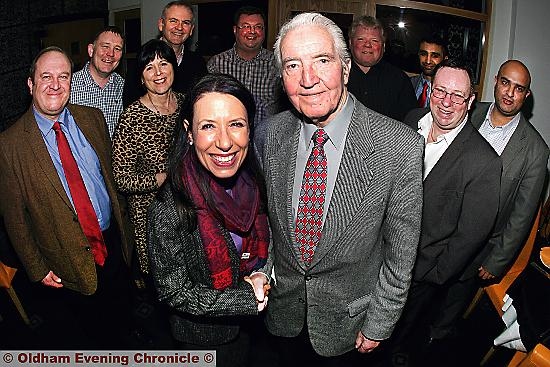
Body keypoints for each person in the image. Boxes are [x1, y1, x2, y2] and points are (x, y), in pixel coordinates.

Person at [247, 12, 424, 366]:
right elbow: (267, 216)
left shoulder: (399, 146)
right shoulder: (270, 133)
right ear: (282, 79)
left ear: (345, 69)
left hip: (350, 326)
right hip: (281, 316)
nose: (308, 79)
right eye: (293, 65)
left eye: (321, 61)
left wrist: (379, 323)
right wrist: (262, 270)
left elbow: (400, 254)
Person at [0, 46, 134, 347]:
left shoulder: (93, 119)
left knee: (119, 321)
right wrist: (37, 268)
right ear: (31, 84)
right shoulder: (9, 146)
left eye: (63, 76)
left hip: (112, 243)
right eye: (45, 76)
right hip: (62, 261)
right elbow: (15, 219)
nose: (55, 84)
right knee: (83, 338)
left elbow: (109, 181)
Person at [148, 73, 269, 367]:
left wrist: (263, 273)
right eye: (208, 126)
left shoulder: (254, 181)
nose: (225, 142)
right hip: (203, 340)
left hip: (253, 333)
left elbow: (267, 240)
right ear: (189, 132)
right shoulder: (169, 205)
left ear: (250, 129)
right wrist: (246, 298)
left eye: (236, 125)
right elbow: (173, 290)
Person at [425, 60, 549, 346]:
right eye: (505, 82)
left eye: (519, 89)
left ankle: (435, 339)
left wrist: (498, 260)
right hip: (436, 225)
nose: (509, 93)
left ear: (526, 96)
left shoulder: (535, 151)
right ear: (495, 80)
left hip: (480, 246)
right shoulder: (468, 111)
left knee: (452, 301)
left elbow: (523, 215)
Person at [390, 59, 502, 365]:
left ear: (470, 101)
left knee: (393, 340)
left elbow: (471, 235)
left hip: (419, 273)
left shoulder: (484, 162)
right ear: (430, 90)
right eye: (440, 91)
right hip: (380, 252)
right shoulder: (410, 120)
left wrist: (433, 275)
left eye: (457, 96)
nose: (447, 103)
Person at [112, 39, 184, 279]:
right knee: (163, 283)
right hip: (151, 214)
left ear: (174, 67)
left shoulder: (188, 105)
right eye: (149, 67)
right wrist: (161, 178)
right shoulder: (132, 117)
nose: (158, 73)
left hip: (190, 208)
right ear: (142, 78)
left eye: (164, 64)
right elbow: (121, 179)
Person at [207, 6, 282, 130]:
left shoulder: (277, 64)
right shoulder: (217, 64)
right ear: (235, 30)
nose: (252, 31)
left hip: (267, 138)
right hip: (227, 137)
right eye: (246, 26)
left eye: (258, 27)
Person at [122, 1, 207, 107]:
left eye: (185, 23)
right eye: (173, 21)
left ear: (191, 30)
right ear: (161, 24)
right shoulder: (142, 59)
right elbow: (130, 103)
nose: (179, 27)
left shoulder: (197, 63)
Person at [347, 16, 417, 121]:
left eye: (374, 40)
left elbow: (410, 123)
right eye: (361, 39)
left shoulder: (400, 80)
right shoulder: (335, 76)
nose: (367, 45)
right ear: (350, 43)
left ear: (383, 46)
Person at [70, 26, 125, 138]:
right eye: (105, 46)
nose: (110, 54)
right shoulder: (68, 87)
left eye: (117, 49)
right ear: (91, 50)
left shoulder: (125, 88)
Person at [410, 35, 448, 108]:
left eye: (435, 56)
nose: (428, 61)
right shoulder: (409, 83)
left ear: (445, 59)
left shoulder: (450, 92)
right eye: (423, 54)